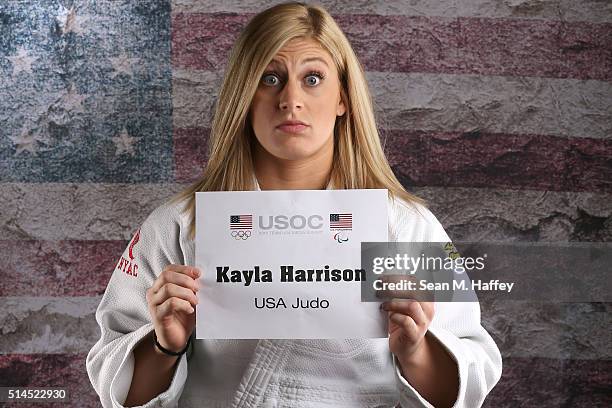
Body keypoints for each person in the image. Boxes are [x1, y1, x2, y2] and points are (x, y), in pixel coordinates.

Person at [86, 2, 502, 407]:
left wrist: (416, 348)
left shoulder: (407, 227)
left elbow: (470, 378)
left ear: (343, 98)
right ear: (243, 98)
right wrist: (164, 346)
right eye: (269, 78)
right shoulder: (178, 225)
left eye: (313, 78)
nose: (290, 99)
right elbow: (116, 387)